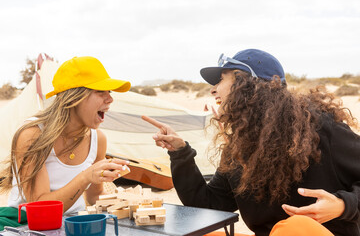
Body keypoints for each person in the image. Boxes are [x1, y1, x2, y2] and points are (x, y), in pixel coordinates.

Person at [142, 49, 360, 236]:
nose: (212, 89)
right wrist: (180, 154)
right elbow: (207, 205)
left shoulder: (321, 129)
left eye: (221, 79)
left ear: (245, 83)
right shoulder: (239, 147)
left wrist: (343, 206)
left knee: (296, 227)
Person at [0, 56, 131, 217]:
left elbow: (94, 197)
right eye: (100, 92)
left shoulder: (98, 139)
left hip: (71, 223)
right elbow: (40, 208)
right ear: (74, 97)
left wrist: (129, 202)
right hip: (27, 223)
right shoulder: (32, 135)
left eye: (109, 92)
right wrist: (86, 176)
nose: (110, 99)